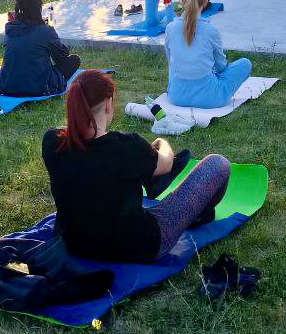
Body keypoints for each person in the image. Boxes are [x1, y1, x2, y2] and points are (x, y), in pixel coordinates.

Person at [41, 69, 231, 263]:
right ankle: (194, 212)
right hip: (139, 246)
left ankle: (150, 176)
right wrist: (161, 143)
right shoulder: (126, 146)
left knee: (134, 169)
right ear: (107, 104)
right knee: (218, 164)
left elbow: (83, 148)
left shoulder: (51, 141)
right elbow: (166, 162)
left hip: (74, 242)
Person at [164, 0, 251, 108]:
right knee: (245, 63)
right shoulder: (210, 30)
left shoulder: (170, 28)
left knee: (176, 68)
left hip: (176, 96)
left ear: (182, 1)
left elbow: (170, 60)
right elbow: (221, 66)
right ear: (205, 3)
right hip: (209, 98)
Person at [0, 0, 81, 97]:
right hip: (38, 88)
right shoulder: (45, 30)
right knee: (74, 60)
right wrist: (60, 45)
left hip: (6, 86)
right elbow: (60, 57)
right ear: (38, 9)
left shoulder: (10, 29)